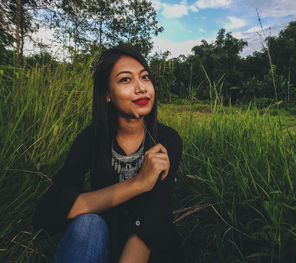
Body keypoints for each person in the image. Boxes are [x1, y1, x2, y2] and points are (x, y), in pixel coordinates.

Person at [33, 46, 183, 263]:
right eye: (125, 80)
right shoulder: (91, 139)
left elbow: (156, 213)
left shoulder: (167, 140)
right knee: (88, 223)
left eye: (145, 77)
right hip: (99, 238)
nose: (141, 88)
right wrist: (138, 183)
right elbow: (48, 212)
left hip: (148, 248)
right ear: (107, 94)